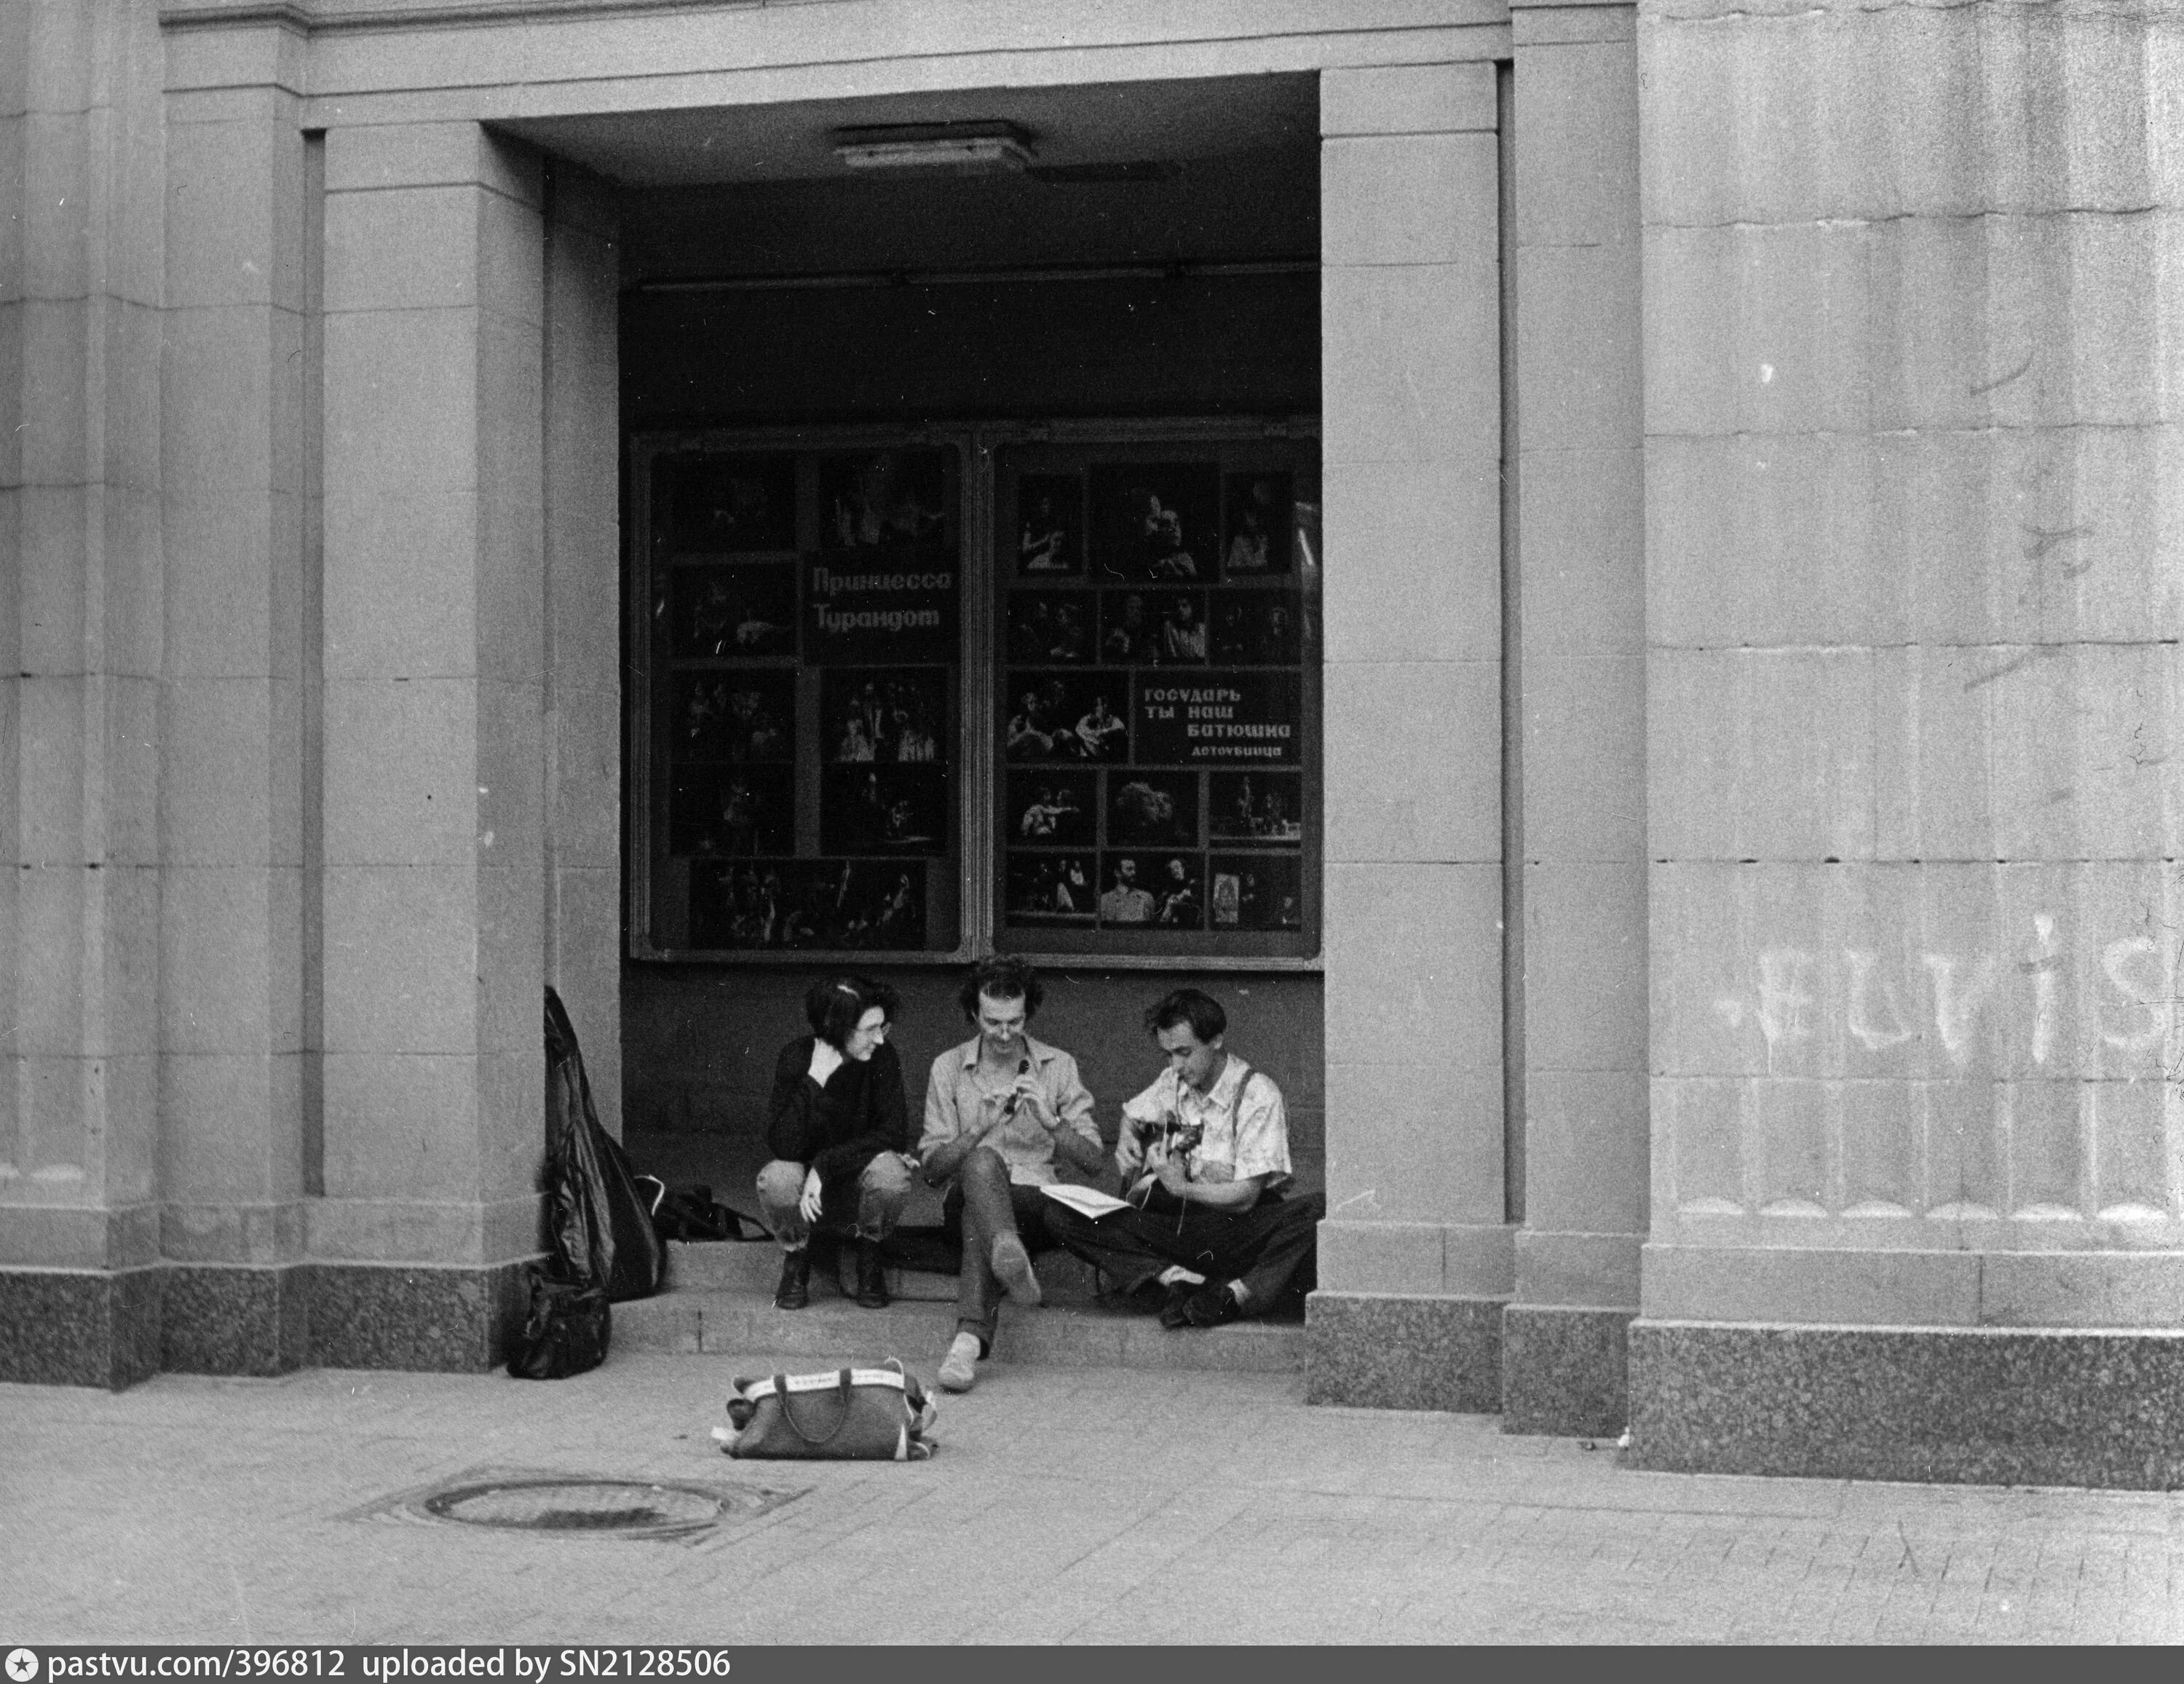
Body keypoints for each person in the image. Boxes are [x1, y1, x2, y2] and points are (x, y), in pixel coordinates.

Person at [1045, 989, 1324, 1329]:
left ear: (1216, 1040)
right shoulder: (1172, 1082)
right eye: (1168, 1055)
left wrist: (1180, 1187)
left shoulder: (1257, 1094)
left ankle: (1238, 1294)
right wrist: (1127, 1138)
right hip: (1179, 1227)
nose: (1175, 1066)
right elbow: (1133, 1114)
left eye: (1184, 1053)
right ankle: (1177, 1279)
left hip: (1236, 1229)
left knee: (1317, 1210)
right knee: (1061, 1215)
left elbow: (1246, 1197)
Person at [919, 957, 1104, 1393]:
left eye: (1015, 1022)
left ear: (1028, 1014)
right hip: (969, 1194)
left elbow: (1095, 1160)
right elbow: (932, 1171)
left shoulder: (1058, 1066)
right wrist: (977, 1130)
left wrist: (1051, 1121)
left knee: (980, 1222)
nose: (1004, 1034)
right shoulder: (947, 1068)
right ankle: (1006, 1251)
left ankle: (966, 1343)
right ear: (973, 1014)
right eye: (992, 1022)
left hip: (1035, 1202)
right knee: (982, 1165)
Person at [757, 976, 915, 1311]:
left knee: (892, 1174)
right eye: (869, 1029)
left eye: (882, 1027)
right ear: (839, 1028)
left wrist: (822, 1165)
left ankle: (869, 1255)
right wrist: (815, 1080)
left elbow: (894, 1134)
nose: (879, 1038)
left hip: (858, 1186)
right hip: (806, 1199)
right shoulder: (797, 1057)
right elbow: (783, 1145)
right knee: (777, 1178)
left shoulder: (883, 1058)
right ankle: (796, 1257)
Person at [1099, 857, 1154, 923]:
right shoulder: (1105, 899)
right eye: (1129, 869)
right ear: (1117, 873)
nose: (1134, 873)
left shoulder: (1146, 897)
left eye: (1134, 869)